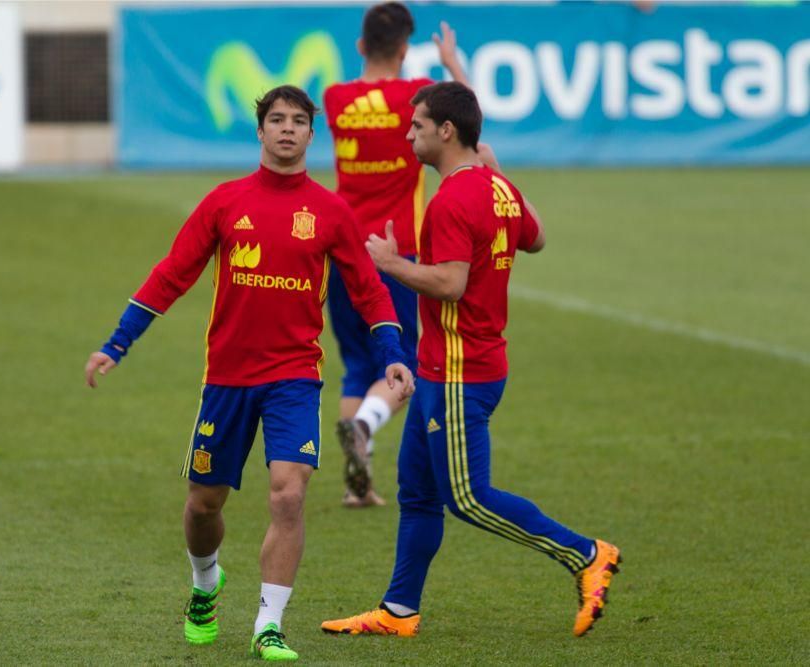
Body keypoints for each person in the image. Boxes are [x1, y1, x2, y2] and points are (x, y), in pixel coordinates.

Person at [84, 85, 414, 662]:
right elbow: (171, 275)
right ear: (260, 132)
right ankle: (206, 583)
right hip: (228, 382)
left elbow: (368, 289)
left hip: (293, 379)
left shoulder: (332, 211)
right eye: (277, 120)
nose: (287, 129)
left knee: (289, 497)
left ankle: (269, 624)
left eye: (298, 122)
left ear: (313, 135)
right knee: (203, 505)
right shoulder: (224, 202)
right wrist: (118, 343)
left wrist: (391, 348)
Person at [320, 82, 621, 639]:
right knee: (417, 492)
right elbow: (537, 237)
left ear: (446, 131)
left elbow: (450, 285)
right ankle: (398, 610)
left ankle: (587, 554)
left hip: (462, 371)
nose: (408, 134)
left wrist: (389, 263)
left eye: (416, 126)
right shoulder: (494, 187)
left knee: (467, 497)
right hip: (445, 367)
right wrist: (501, 173)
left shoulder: (452, 200)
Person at [323, 2, 469, 508]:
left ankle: (354, 482)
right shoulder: (415, 96)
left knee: (355, 365)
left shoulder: (336, 98)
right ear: (405, 50)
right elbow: (465, 115)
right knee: (400, 364)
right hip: (395, 250)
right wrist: (451, 65)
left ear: (361, 47)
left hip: (342, 251)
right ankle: (364, 426)